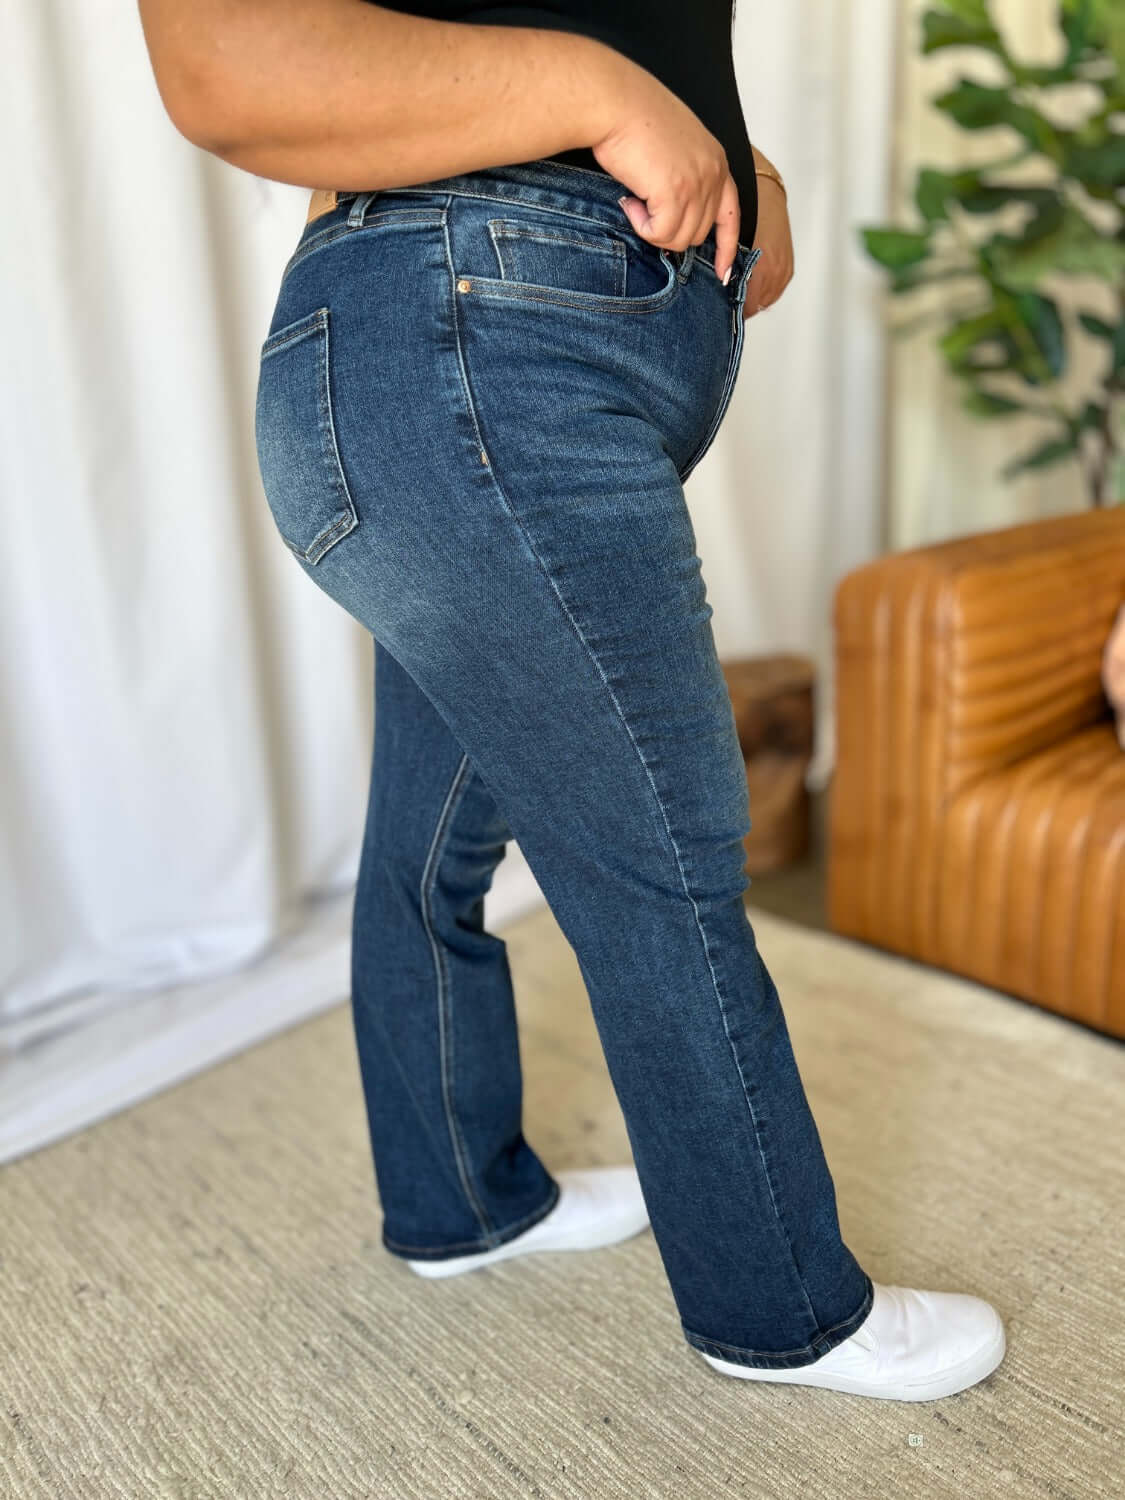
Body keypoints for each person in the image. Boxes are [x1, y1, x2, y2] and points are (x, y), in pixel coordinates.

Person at [138, 0, 1006, 1402]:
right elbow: (227, 59)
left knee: (434, 844)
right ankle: (776, 1306)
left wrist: (729, 161)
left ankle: (459, 1206)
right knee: (659, 845)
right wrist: (596, 89)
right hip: (471, 367)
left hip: (461, 364)